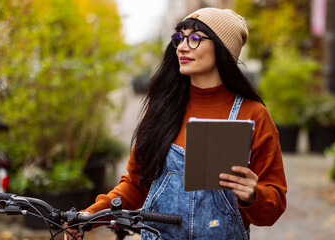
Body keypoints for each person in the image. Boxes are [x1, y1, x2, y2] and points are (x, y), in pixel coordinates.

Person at [65, 7, 287, 240]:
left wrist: (253, 196)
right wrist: (88, 217)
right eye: (180, 38)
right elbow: (135, 184)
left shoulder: (253, 115)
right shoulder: (161, 109)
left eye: (194, 39)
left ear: (222, 48)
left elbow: (273, 208)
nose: (182, 47)